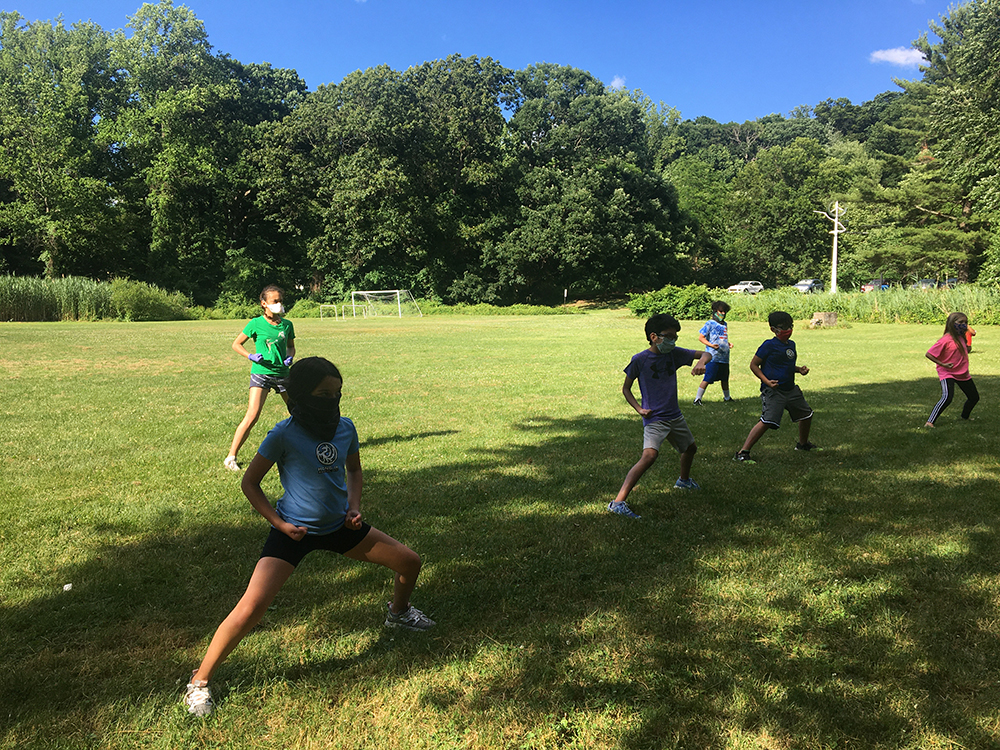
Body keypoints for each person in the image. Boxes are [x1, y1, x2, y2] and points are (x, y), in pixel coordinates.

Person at [184, 357, 434, 717]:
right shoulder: (283, 434)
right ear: (300, 396)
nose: (331, 400)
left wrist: (354, 506)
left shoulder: (346, 428)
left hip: (340, 528)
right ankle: (200, 681)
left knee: (410, 562)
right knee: (250, 608)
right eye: (322, 394)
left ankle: (398, 613)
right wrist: (279, 523)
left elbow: (354, 469)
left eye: (337, 393)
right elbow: (250, 483)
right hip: (293, 532)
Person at [608, 313, 711, 520]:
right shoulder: (640, 360)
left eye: (675, 337)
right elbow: (626, 389)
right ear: (654, 336)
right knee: (649, 456)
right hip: (655, 418)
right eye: (669, 336)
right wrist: (639, 409)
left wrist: (701, 363)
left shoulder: (674, 354)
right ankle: (617, 502)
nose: (673, 341)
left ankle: (683, 481)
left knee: (690, 448)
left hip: (675, 415)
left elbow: (706, 353)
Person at [224, 285, 296, 472]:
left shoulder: (287, 325)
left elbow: (290, 346)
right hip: (261, 373)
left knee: (297, 412)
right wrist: (250, 356)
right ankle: (231, 457)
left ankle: (306, 448)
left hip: (282, 374)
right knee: (252, 415)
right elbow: (236, 344)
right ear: (264, 304)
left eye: (280, 300)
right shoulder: (255, 323)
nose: (279, 304)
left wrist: (290, 356)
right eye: (275, 301)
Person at [733, 311, 818, 464]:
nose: (788, 330)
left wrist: (799, 369)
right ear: (773, 329)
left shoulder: (791, 345)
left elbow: (786, 366)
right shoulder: (769, 345)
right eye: (783, 327)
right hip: (774, 391)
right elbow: (754, 365)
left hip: (791, 389)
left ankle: (803, 444)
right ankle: (742, 452)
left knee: (806, 415)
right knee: (767, 421)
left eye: (790, 326)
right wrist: (767, 381)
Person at [924, 311, 979, 427]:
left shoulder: (961, 337)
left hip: (962, 373)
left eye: (966, 322)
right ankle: (930, 422)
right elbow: (929, 354)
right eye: (961, 322)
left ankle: (965, 417)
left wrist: (968, 347)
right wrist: (943, 364)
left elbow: (965, 351)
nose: (964, 325)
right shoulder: (945, 339)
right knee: (947, 397)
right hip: (948, 372)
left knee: (974, 397)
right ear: (952, 324)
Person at [694, 300, 733, 405]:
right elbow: (701, 337)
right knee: (708, 377)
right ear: (715, 311)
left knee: (725, 378)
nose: (723, 314)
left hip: (724, 357)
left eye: (725, 312)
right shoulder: (710, 323)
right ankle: (697, 399)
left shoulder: (724, 324)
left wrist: (727, 344)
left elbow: (721, 338)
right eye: (721, 311)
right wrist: (711, 345)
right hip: (713, 357)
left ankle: (727, 398)